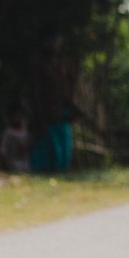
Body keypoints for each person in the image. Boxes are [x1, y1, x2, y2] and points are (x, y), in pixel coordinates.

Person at [27, 24, 77, 173]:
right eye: (51, 40)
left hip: (62, 116)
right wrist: (40, 115)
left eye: (56, 40)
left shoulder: (63, 64)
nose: (54, 43)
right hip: (45, 117)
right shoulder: (38, 64)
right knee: (48, 155)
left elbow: (68, 90)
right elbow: (35, 92)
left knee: (64, 155)